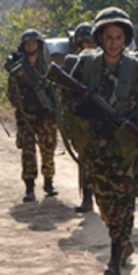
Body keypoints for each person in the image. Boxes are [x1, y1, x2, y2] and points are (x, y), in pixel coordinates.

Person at [67, 8, 138, 275]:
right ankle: (121, 240)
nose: (114, 42)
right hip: (95, 148)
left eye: (119, 37)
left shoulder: (136, 67)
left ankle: (113, 262)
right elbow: (68, 96)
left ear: (126, 38)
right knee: (105, 204)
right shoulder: (86, 65)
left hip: (125, 148)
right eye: (109, 37)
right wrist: (85, 114)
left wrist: (133, 129)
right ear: (99, 38)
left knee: (125, 203)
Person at [7, 29, 59, 202]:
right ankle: (29, 187)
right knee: (28, 152)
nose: (30, 46)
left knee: (48, 149)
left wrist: (50, 109)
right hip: (26, 117)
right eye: (27, 44)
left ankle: (49, 182)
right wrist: (25, 103)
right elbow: (12, 94)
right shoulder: (18, 70)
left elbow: (56, 91)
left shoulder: (48, 67)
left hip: (46, 117)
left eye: (33, 43)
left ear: (39, 45)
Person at [60, 22, 98, 212]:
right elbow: (66, 94)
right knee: (86, 161)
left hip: (106, 121)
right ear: (78, 44)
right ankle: (88, 198)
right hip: (84, 121)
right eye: (86, 42)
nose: (89, 45)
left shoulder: (107, 61)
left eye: (92, 41)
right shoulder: (74, 64)